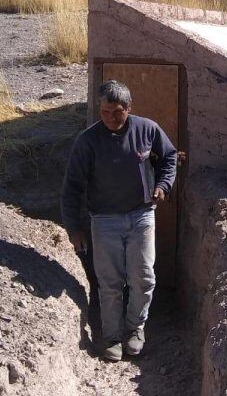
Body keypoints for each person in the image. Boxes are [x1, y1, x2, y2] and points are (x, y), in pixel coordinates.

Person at [61, 79, 178, 362]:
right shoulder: (88, 141)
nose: (111, 118)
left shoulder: (147, 129)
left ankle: (135, 330)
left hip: (141, 215)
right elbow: (72, 186)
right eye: (105, 112)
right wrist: (74, 228)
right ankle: (111, 337)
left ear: (129, 108)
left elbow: (170, 157)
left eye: (117, 111)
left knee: (143, 278)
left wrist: (163, 185)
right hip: (103, 221)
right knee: (110, 282)